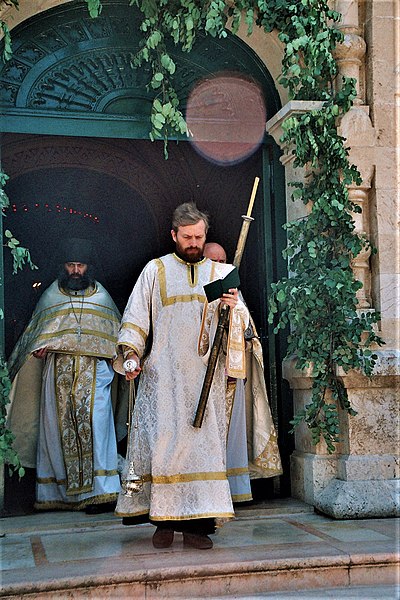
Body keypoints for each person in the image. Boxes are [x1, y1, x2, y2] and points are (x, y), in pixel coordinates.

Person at [113, 203, 249, 550]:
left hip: (207, 380)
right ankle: (162, 522)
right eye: (187, 237)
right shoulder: (155, 272)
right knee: (164, 449)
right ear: (174, 235)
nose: (193, 243)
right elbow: (135, 319)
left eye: (199, 237)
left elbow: (243, 327)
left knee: (202, 451)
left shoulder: (221, 274)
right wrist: (130, 353)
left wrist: (234, 312)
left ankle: (197, 528)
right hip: (165, 378)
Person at [7, 238, 124, 513]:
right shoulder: (51, 296)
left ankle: (102, 492)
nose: (75, 271)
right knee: (55, 431)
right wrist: (39, 350)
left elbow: (115, 339)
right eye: (70, 265)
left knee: (98, 423)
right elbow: (35, 337)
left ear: (88, 267)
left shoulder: (101, 297)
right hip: (56, 374)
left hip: (95, 374)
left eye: (80, 265)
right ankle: (58, 494)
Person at [203, 242, 282, 502]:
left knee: (231, 433)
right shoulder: (193, 288)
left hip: (228, 375)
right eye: (212, 260)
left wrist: (236, 309)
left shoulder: (234, 293)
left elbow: (250, 335)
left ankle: (231, 488)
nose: (219, 265)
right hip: (199, 376)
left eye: (223, 260)